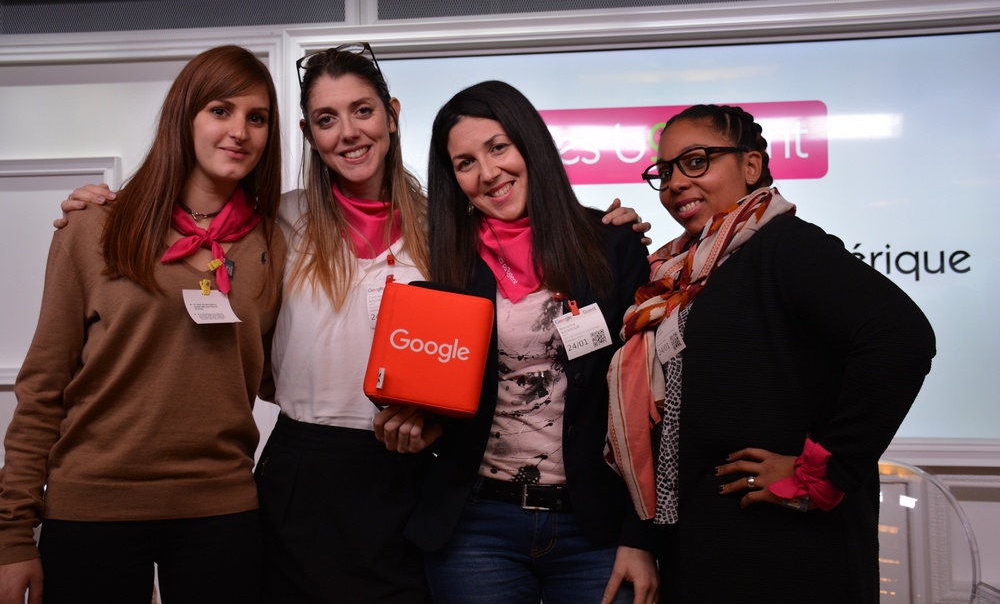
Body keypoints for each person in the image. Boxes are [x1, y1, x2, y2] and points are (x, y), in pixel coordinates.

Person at [52, 45, 650, 603]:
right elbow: (201, 234)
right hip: (302, 471)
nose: (348, 132)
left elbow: (491, 312)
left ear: (391, 114)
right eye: (326, 119)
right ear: (309, 134)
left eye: (363, 110)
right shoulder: (276, 222)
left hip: (409, 470)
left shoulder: (445, 232)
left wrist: (607, 226)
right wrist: (107, 205)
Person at [607, 104, 936, 603]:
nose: (675, 183)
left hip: (786, 547)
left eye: (696, 161)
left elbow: (900, 337)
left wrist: (824, 469)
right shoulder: (682, 275)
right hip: (702, 544)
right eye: (666, 171)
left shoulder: (784, 246)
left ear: (751, 166)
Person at [0, 44, 285, 604]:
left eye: (257, 118)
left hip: (221, 508)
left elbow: (280, 375)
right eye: (220, 111)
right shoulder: (94, 227)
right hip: (93, 506)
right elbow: (43, 387)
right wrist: (12, 535)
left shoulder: (273, 243)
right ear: (185, 117)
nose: (240, 132)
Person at [384, 80, 658, 604]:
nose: (488, 173)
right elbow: (435, 385)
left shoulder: (611, 244)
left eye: (498, 147)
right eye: (465, 163)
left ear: (530, 145)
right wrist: (410, 420)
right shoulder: (444, 260)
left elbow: (644, 403)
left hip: (595, 526)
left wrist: (640, 536)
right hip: (477, 526)